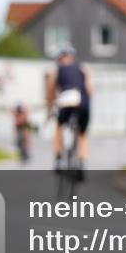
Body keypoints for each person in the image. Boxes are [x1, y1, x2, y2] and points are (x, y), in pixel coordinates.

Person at [45, 44, 92, 173]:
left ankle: (58, 158)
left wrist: (49, 109)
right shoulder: (83, 68)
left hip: (66, 101)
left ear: (60, 58)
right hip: (82, 102)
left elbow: (50, 91)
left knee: (59, 126)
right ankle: (82, 162)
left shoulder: (57, 70)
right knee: (82, 133)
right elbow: (89, 89)